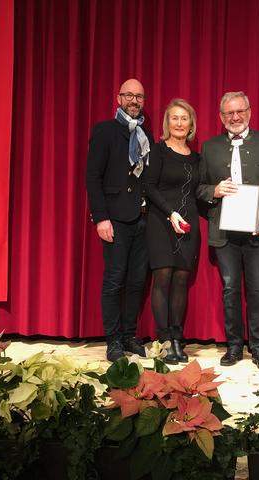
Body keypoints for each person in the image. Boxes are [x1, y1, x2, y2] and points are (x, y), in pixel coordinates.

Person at [197, 91, 259, 370]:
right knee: (230, 289)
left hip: (258, 233)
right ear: (221, 117)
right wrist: (214, 190)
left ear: (249, 112)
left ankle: (258, 347)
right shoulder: (209, 148)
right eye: (229, 113)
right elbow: (198, 188)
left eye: (240, 111)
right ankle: (234, 346)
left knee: (258, 289)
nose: (235, 117)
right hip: (224, 233)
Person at [86, 78, 154, 362]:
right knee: (114, 281)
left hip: (142, 218)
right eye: (129, 95)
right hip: (115, 219)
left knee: (137, 281)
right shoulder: (105, 131)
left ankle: (129, 336)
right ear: (118, 98)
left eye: (139, 96)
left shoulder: (146, 134)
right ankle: (113, 340)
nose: (134, 101)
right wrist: (101, 217)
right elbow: (93, 177)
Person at [144, 99, 200, 364]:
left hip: (189, 223)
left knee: (180, 280)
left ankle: (177, 338)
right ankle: (164, 340)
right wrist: (170, 213)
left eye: (184, 118)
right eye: (174, 118)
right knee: (163, 278)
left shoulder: (197, 157)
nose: (179, 123)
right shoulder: (158, 151)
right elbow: (150, 187)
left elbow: (200, 192)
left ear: (191, 124)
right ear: (168, 123)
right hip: (161, 221)